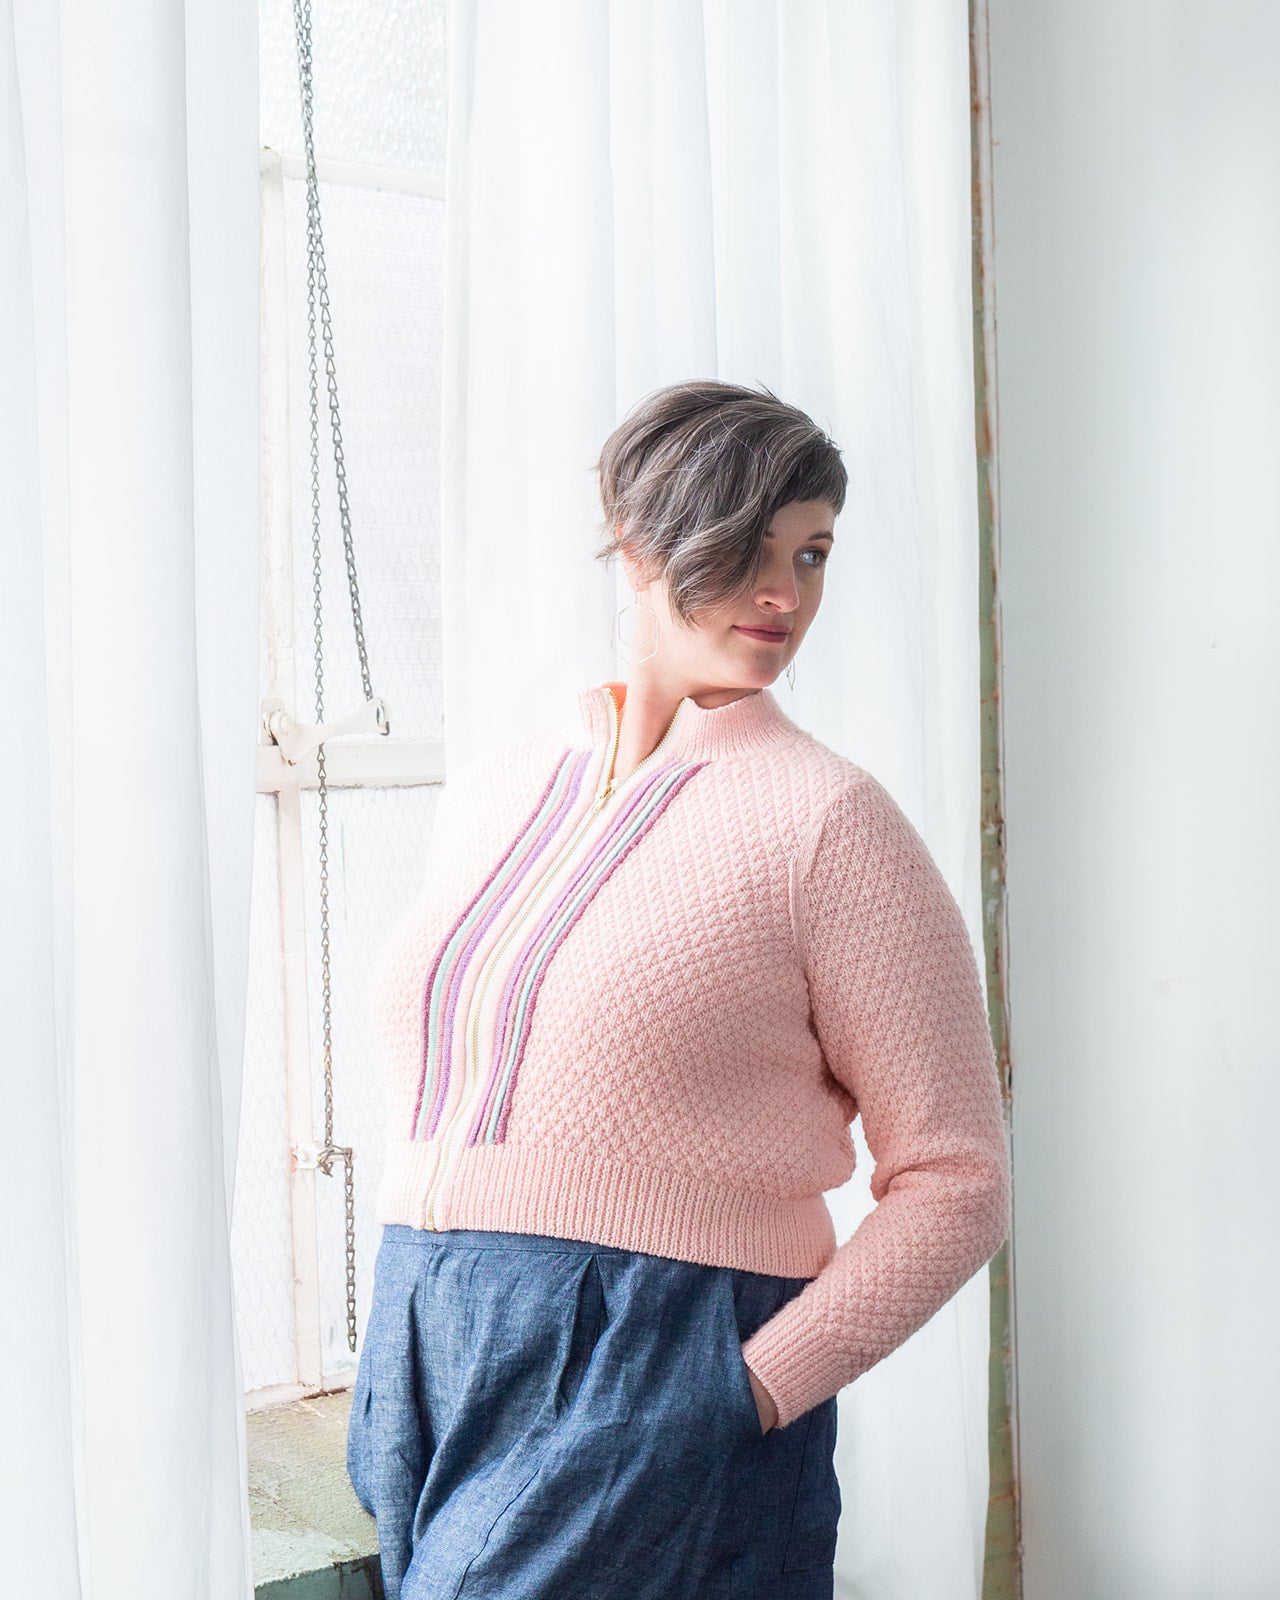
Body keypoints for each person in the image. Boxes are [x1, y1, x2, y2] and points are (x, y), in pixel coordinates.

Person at [346, 380, 1012, 1600]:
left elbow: (958, 1178)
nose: (784, 594)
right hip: (426, 1331)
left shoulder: (828, 820)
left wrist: (744, 1387)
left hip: (651, 1341)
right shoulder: (494, 791)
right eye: (750, 546)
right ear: (639, 540)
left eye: (810, 553)